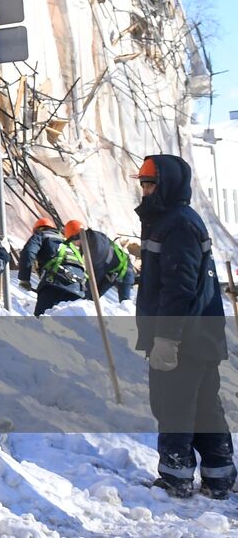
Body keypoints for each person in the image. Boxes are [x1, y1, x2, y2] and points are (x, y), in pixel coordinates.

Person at [133, 155, 234, 500]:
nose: (145, 191)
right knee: (205, 405)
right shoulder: (171, 220)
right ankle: (219, 476)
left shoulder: (176, 224)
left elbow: (179, 287)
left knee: (173, 404)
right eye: (143, 184)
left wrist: (166, 337)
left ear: (168, 186)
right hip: (198, 335)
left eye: (150, 184)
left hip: (185, 337)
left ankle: (175, 477)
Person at [18, 216, 87, 316]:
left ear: (36, 229)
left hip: (55, 283)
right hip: (78, 288)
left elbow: (28, 252)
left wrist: (24, 279)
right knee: (71, 326)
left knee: (41, 321)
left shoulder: (41, 235)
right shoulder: (66, 242)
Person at [61, 219, 134, 302]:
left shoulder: (96, 248)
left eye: (73, 241)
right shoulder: (90, 237)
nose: (73, 244)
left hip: (124, 272)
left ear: (76, 237)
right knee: (90, 299)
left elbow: (94, 277)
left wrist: (83, 292)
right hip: (110, 273)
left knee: (125, 304)